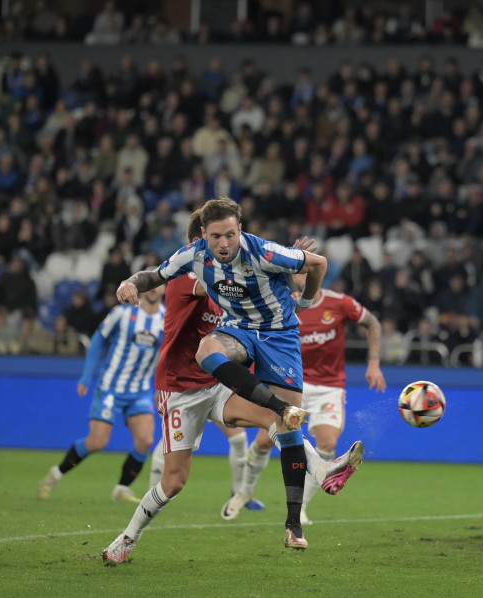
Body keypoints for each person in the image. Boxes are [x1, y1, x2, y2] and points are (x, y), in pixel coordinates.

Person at [102, 212, 363, 564]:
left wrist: (284, 268)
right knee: (174, 481)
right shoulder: (192, 276)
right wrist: (132, 281)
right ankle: (126, 539)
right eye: (213, 240)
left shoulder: (233, 288)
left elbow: (255, 297)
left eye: (229, 238)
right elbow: (183, 277)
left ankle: (321, 471)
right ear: (201, 243)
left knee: (278, 420)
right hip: (179, 389)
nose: (222, 247)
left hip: (216, 382)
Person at [221, 272, 385, 526]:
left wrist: (374, 363)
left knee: (328, 444)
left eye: (307, 271)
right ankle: (244, 491)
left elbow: (372, 322)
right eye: (297, 271)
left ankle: (302, 509)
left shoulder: (340, 303)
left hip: (329, 388)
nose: (302, 277)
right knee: (265, 440)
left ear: (319, 275)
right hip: (294, 384)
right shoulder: (284, 304)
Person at [37, 283, 166, 503]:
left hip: (141, 390)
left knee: (145, 440)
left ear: (164, 289)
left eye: (158, 284)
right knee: (97, 442)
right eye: (149, 284)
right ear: (142, 288)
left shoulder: (168, 318)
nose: (153, 288)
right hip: (111, 387)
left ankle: (122, 488)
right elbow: (98, 339)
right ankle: (56, 474)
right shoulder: (122, 312)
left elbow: (169, 356)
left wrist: (163, 387)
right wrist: (87, 376)